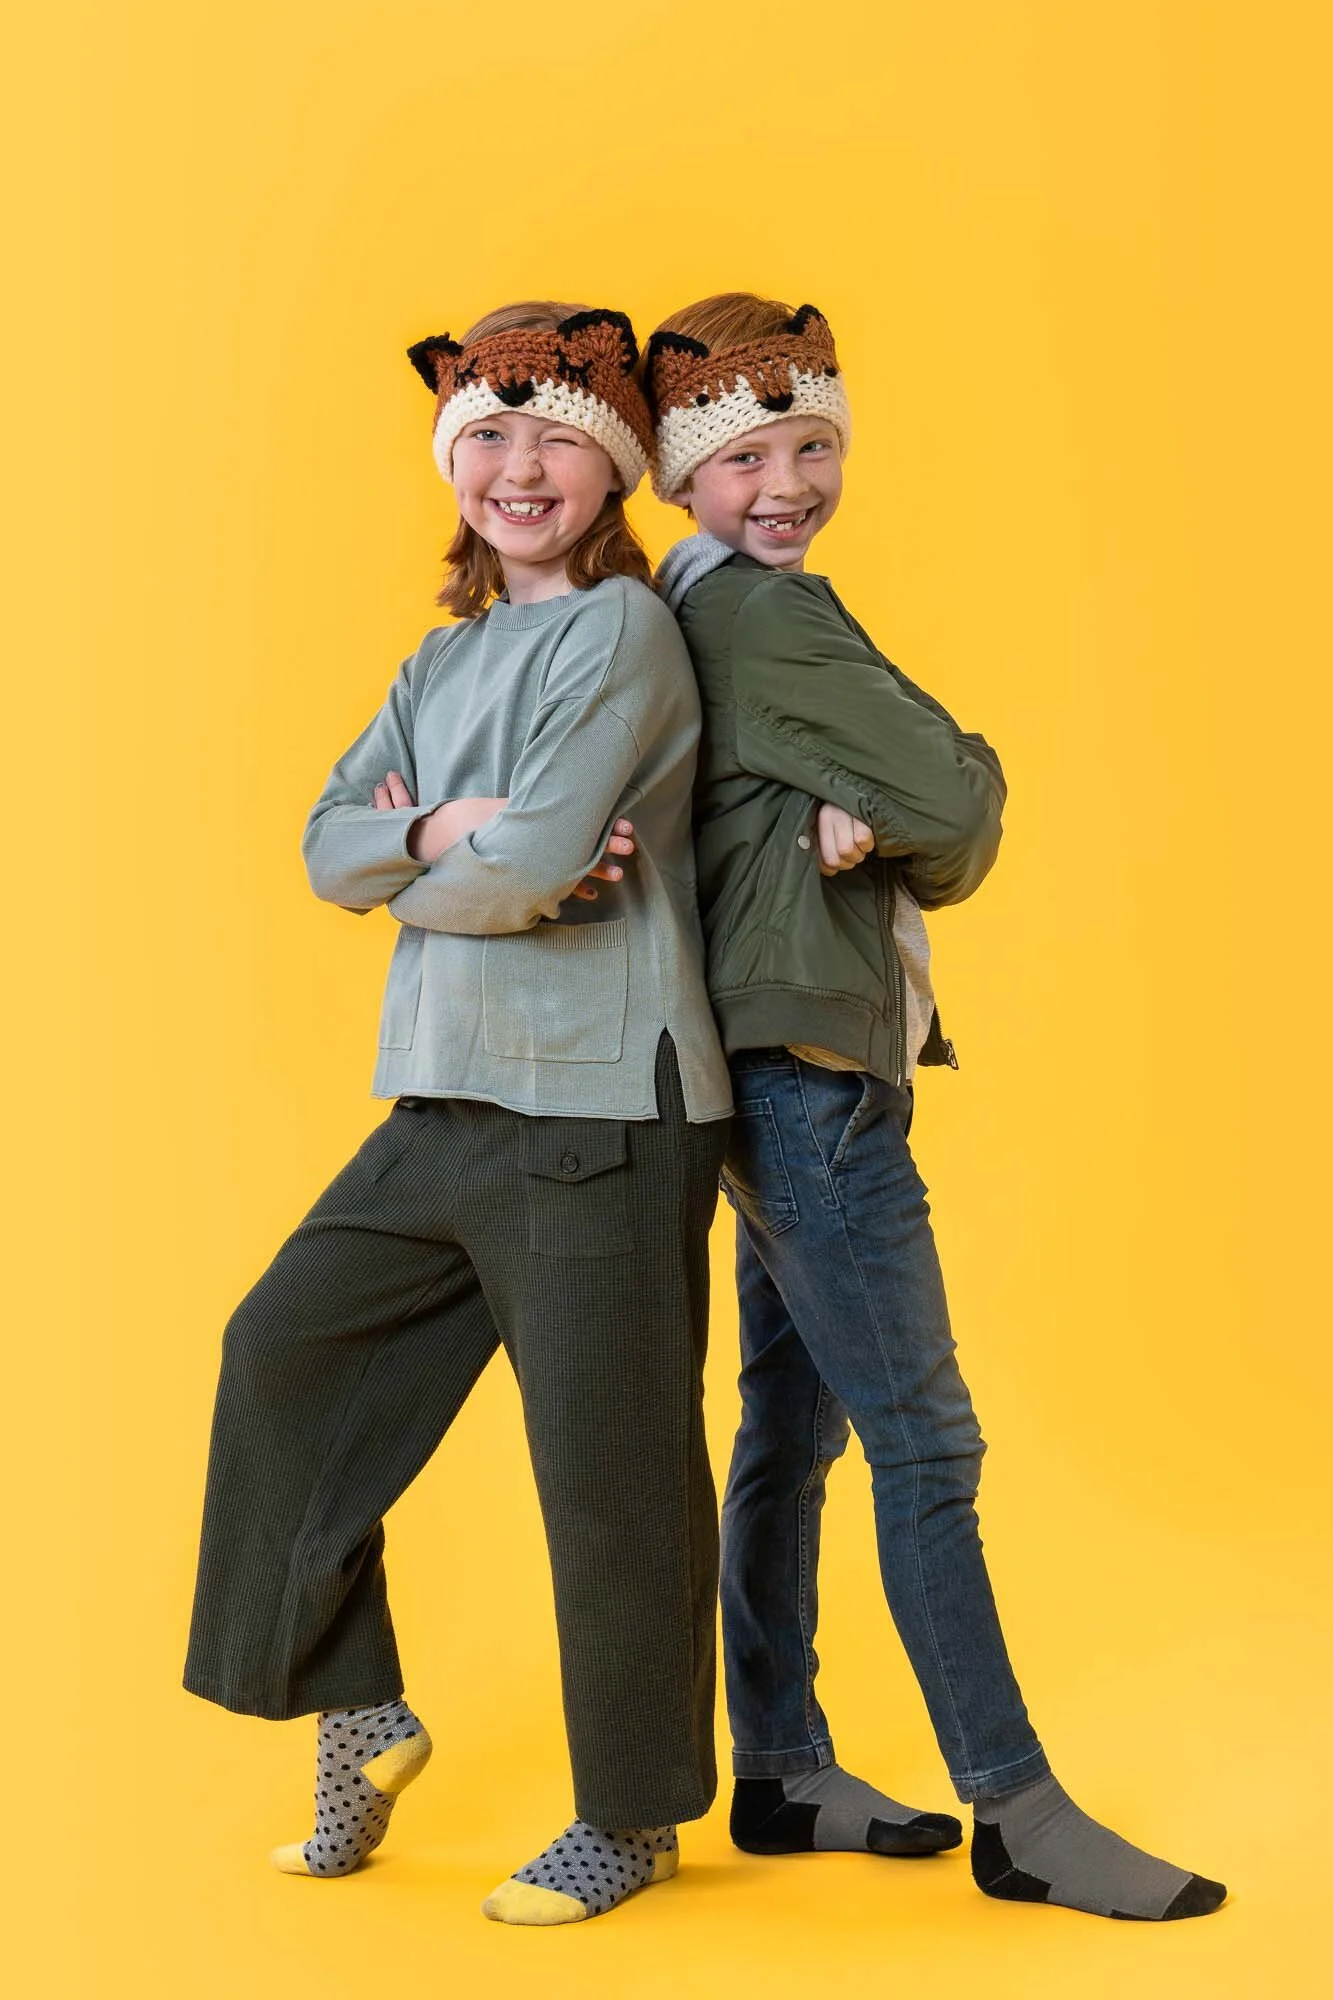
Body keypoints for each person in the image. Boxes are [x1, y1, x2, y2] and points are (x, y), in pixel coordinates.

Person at [642, 291, 1226, 1922]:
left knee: (793, 1425)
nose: (788, 484)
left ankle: (779, 1768)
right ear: (683, 475)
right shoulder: (767, 621)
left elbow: (920, 812)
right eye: (745, 457)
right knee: (925, 1441)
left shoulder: (699, 609)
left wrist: (895, 798)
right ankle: (1017, 1812)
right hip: (813, 1081)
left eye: (813, 446)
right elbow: (961, 816)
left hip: (758, 1062)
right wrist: (936, 782)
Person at [183, 301, 733, 1927]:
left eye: (559, 435)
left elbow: (536, 858)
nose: (520, 467)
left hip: (602, 1104)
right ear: (452, 461)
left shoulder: (622, 636)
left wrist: (430, 847)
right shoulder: (440, 658)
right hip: (443, 1091)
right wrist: (451, 836)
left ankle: (630, 1819)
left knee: (610, 1469)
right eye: (488, 435)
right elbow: (323, 847)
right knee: (281, 1355)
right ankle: (360, 1707)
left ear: (615, 468)